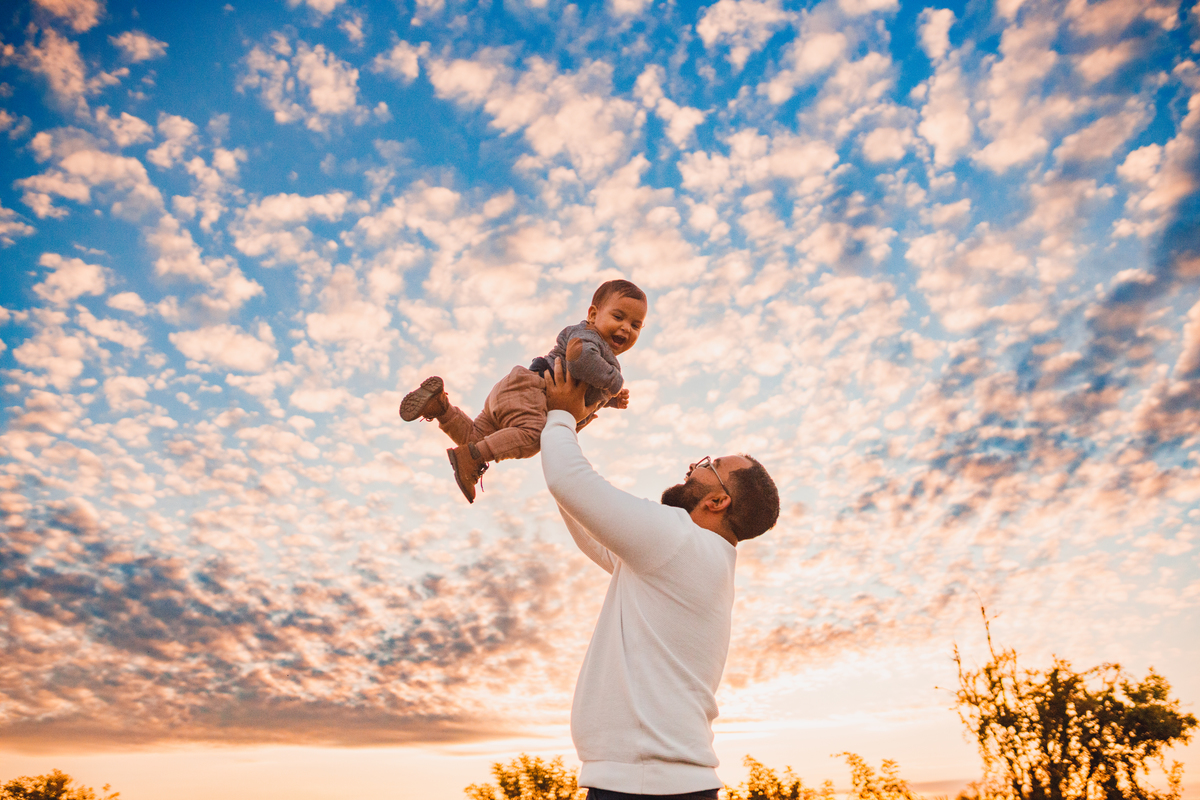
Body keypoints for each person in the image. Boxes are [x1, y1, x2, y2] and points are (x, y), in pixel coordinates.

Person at [540, 358, 781, 800]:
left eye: (709, 464)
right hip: (655, 783)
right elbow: (586, 517)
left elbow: (570, 482)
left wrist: (560, 418)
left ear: (717, 500)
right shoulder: (694, 557)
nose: (693, 465)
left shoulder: (679, 540)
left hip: (642, 787)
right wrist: (560, 432)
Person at [398, 279, 648, 503]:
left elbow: (586, 389)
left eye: (636, 325)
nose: (626, 328)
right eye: (618, 317)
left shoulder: (596, 348)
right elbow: (580, 359)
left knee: (475, 438)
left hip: (513, 390)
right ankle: (472, 458)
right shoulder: (589, 337)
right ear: (593, 314)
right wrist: (615, 382)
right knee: (532, 436)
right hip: (533, 392)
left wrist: (611, 401)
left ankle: (440, 406)